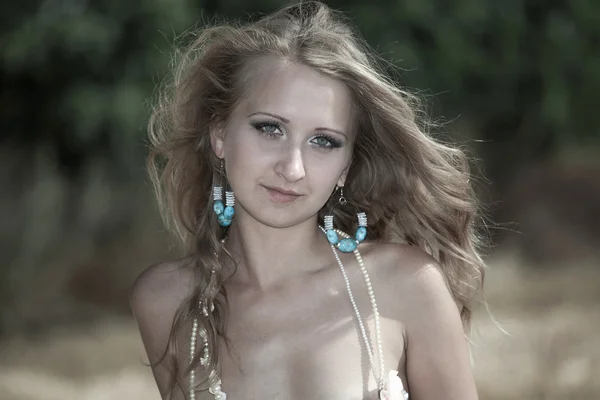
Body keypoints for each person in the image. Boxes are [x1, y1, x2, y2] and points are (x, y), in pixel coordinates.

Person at [130, 2, 484, 399]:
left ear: (346, 166)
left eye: (324, 141)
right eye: (269, 128)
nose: (293, 168)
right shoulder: (167, 301)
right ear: (219, 135)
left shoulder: (407, 285)